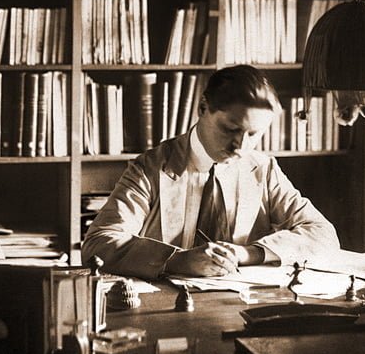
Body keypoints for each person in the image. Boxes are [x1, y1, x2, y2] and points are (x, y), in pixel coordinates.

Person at [82, 65, 340, 279]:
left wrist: (248, 253)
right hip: (164, 309)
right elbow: (98, 243)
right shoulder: (150, 168)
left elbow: (323, 234)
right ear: (203, 108)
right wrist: (176, 260)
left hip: (237, 305)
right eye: (230, 129)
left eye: (254, 134)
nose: (241, 146)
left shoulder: (263, 169)